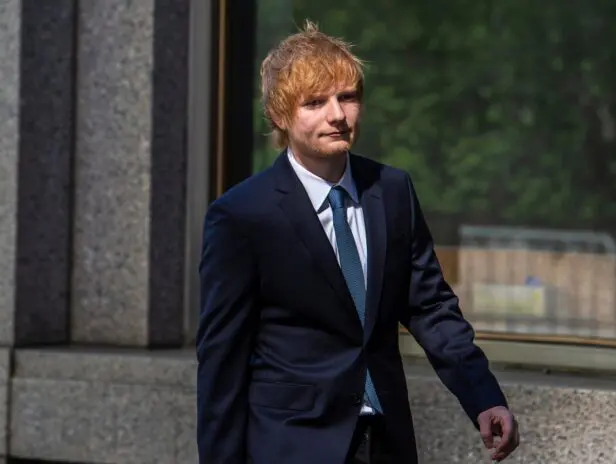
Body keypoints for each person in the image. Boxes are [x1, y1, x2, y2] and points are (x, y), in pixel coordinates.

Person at [196, 20, 519, 464]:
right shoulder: (242, 215)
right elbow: (222, 357)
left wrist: (483, 396)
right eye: (315, 102)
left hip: (386, 442)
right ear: (279, 116)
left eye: (347, 97)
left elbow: (430, 307)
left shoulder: (392, 191)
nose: (337, 115)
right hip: (292, 446)